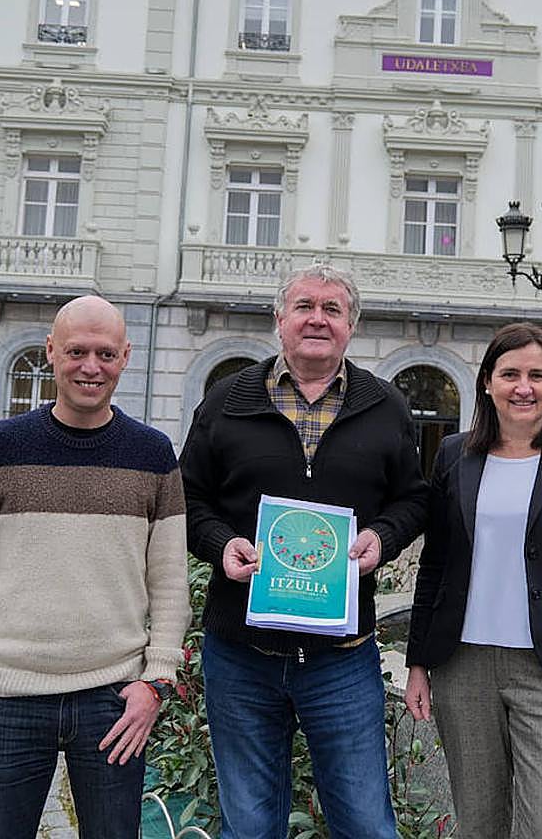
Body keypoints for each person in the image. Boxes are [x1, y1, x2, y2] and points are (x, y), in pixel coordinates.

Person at [180, 264, 428, 839]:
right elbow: (187, 499)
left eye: (332, 309)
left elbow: (414, 499)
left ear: (351, 326)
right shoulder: (227, 400)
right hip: (241, 654)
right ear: (279, 320)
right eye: (304, 306)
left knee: (366, 824)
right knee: (249, 827)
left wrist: (382, 538)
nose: (318, 319)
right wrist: (221, 544)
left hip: (342, 657)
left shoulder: (385, 405)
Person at [0, 296, 191, 839]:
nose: (90, 367)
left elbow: (170, 583)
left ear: (125, 356)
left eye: (105, 354)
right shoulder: (0, 447)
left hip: (113, 699)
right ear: (51, 351)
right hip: (8, 699)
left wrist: (156, 681)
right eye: (76, 352)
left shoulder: (153, 454)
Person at [404, 322, 542, 839]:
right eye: (510, 374)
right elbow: (435, 564)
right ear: (487, 382)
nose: (523, 387)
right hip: (463, 665)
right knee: (479, 824)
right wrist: (417, 662)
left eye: (537, 375)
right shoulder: (454, 454)